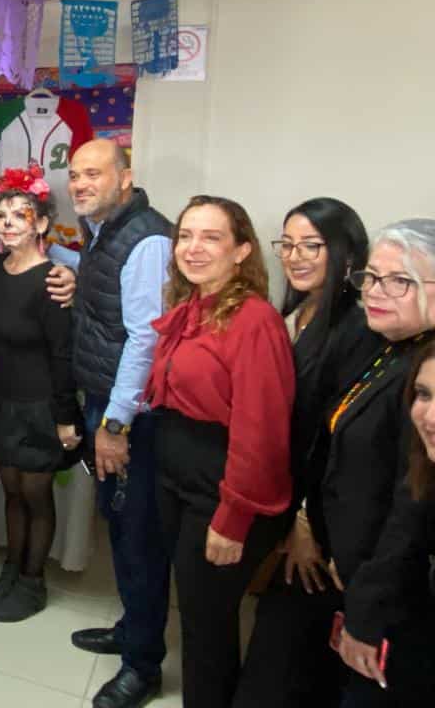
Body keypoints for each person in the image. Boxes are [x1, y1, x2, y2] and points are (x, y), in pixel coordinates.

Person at [145, 195, 296, 708]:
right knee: (195, 611)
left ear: (242, 251)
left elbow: (263, 431)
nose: (193, 247)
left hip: (219, 484)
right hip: (176, 471)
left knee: (207, 624)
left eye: (211, 237)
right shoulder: (191, 306)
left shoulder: (253, 321)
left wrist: (233, 518)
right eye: (186, 235)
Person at [236, 198, 371, 708]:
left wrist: (305, 520)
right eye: (288, 244)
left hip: (318, 520)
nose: (295, 256)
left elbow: (336, 439)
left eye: (312, 245)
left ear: (347, 253)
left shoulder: (355, 328)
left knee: (291, 657)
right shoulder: (294, 313)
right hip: (283, 501)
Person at [58, 138, 174, 708]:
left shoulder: (146, 238)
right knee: (122, 525)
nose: (80, 184)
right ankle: (133, 630)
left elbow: (145, 340)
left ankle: (143, 665)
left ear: (125, 179)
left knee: (137, 538)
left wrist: (114, 423)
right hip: (106, 398)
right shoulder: (102, 231)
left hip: (132, 415)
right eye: (75, 175)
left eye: (93, 174)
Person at [307, 220, 435, 707]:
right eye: (372, 278)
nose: (377, 292)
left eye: (400, 281)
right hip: (356, 570)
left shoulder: (426, 376)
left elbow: (412, 510)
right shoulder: (388, 347)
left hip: (396, 600)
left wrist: (367, 614)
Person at [0, 168, 81, 623]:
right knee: (11, 493)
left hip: (39, 406)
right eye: (2, 215)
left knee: (36, 496)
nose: (9, 223)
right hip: (0, 399)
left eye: (21, 215)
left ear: (41, 224)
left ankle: (34, 582)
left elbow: (62, 355)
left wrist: (64, 418)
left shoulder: (54, 279)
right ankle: (12, 572)